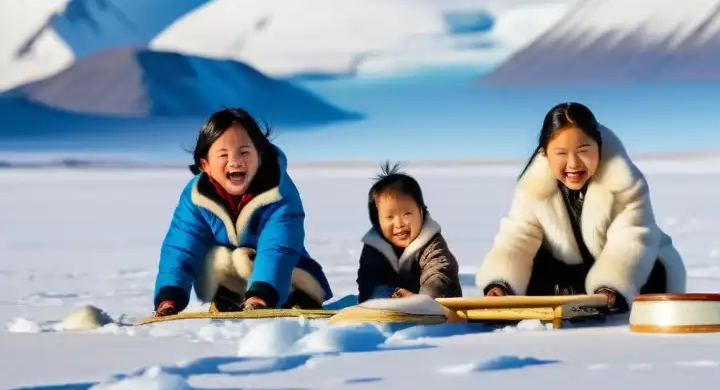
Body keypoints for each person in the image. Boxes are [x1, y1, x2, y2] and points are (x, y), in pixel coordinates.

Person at [476, 102, 686, 312]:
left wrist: (611, 287)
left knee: (646, 272)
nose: (574, 164)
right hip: (572, 277)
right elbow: (517, 239)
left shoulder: (624, 182)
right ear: (544, 153)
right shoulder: (532, 190)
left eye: (583, 150)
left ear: (599, 145)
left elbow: (631, 239)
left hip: (641, 269)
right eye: (561, 153)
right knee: (531, 262)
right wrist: (500, 283)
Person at [152, 108, 332, 316]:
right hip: (238, 280)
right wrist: (169, 296)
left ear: (260, 155)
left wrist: (262, 292)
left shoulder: (278, 192)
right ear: (205, 165)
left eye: (244, 152)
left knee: (244, 259)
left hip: (293, 276)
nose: (235, 161)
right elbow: (181, 248)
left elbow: (278, 247)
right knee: (216, 258)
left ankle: (295, 298)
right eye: (223, 155)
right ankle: (229, 298)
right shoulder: (195, 198)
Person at [356, 162, 462, 302]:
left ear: (421, 212)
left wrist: (421, 300)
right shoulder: (375, 246)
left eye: (407, 214)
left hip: (438, 308)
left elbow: (438, 273)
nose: (399, 224)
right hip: (390, 311)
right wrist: (374, 300)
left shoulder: (430, 242)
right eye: (389, 217)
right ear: (377, 221)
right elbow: (367, 280)